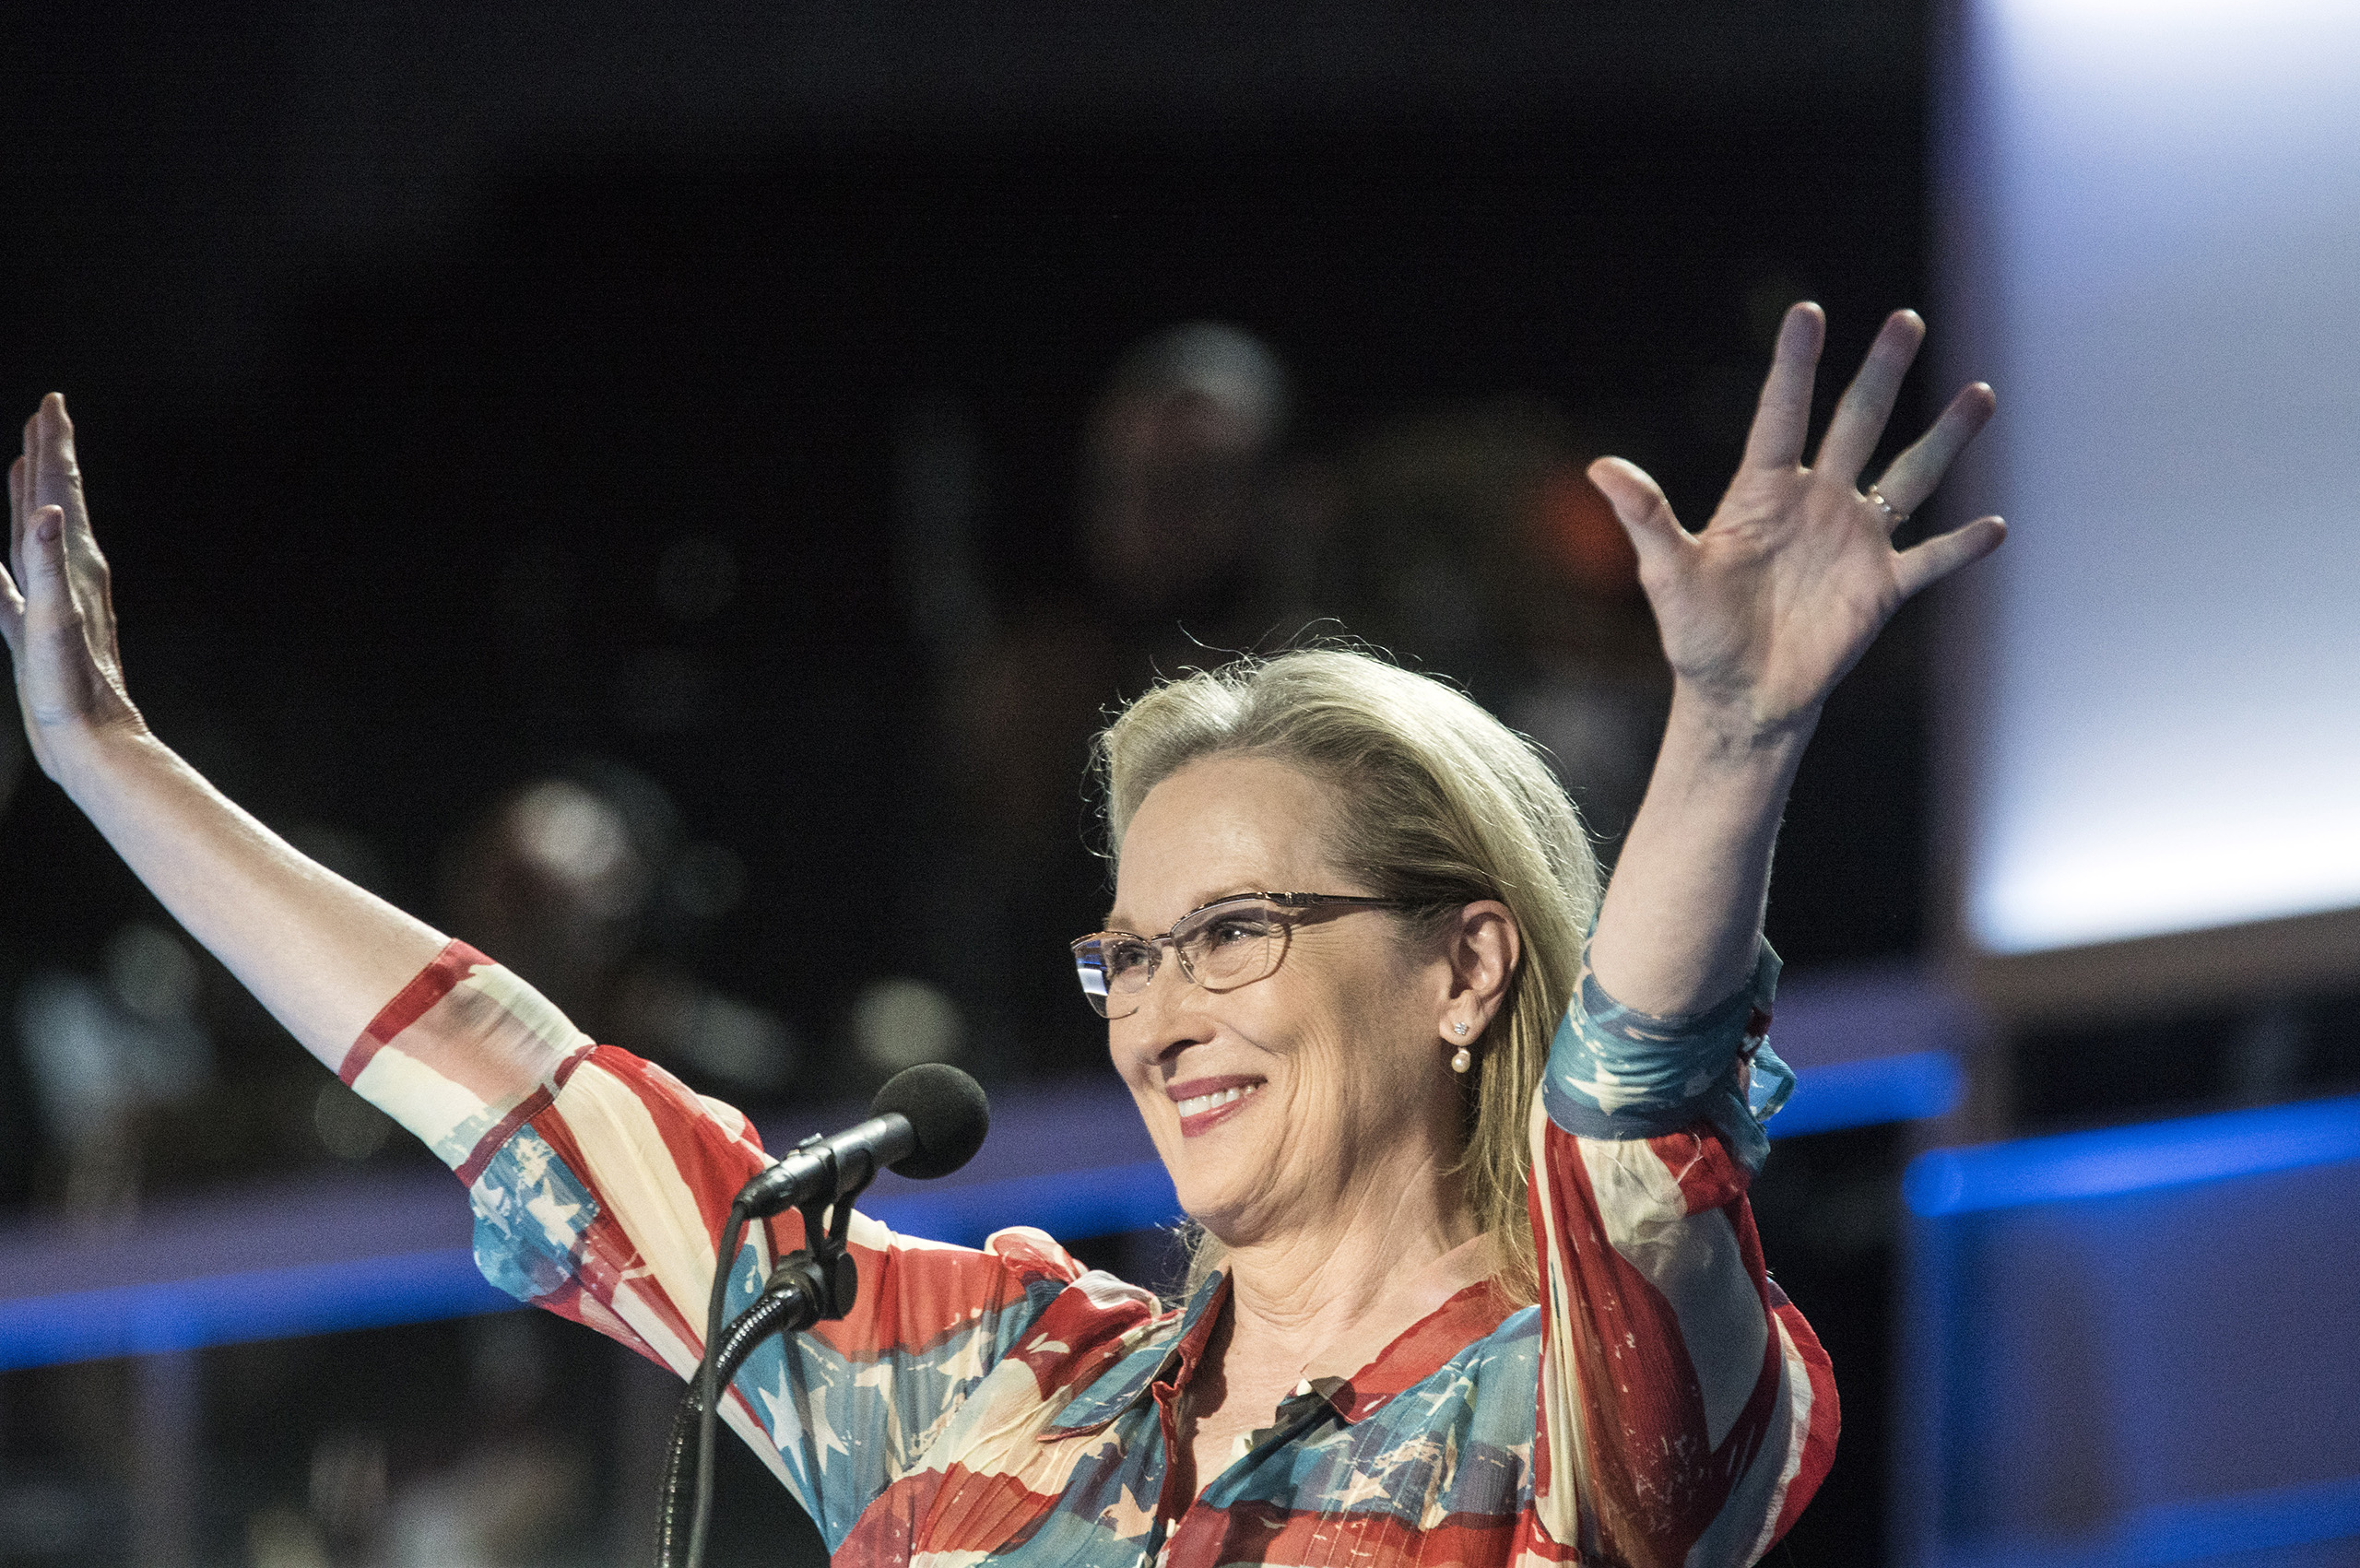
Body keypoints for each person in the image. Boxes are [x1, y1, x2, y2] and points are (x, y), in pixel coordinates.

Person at [2, 303, 2002, 1565]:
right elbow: (528, 1097)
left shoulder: (1573, 1397)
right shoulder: (989, 1385)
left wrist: (1731, 739)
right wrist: (117, 769)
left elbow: (1634, 1130)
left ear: (1464, 967)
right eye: (1129, 954)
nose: (1157, 1014)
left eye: (1232, 931)